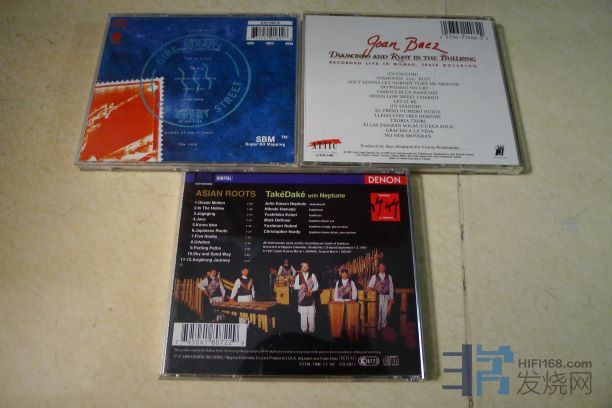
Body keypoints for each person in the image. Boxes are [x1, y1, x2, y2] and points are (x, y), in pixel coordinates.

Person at [367, 262, 395, 330]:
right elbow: (369, 287)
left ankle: (384, 328)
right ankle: (378, 328)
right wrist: (375, 287)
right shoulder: (374, 276)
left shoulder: (389, 277)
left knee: (385, 313)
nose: (381, 268)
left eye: (383, 266)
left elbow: (391, 288)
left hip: (386, 297)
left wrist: (391, 297)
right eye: (380, 266)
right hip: (377, 297)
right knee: (378, 312)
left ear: (385, 268)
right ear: (378, 268)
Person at [293, 261, 319, 333]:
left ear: (308, 267)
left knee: (311, 316)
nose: (304, 267)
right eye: (303, 266)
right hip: (302, 299)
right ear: (301, 267)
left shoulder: (313, 275)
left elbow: (317, 286)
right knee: (303, 316)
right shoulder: (298, 276)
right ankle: (304, 331)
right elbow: (295, 287)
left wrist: (312, 290)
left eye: (306, 266)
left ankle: (312, 331)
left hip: (311, 298)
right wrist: (300, 286)